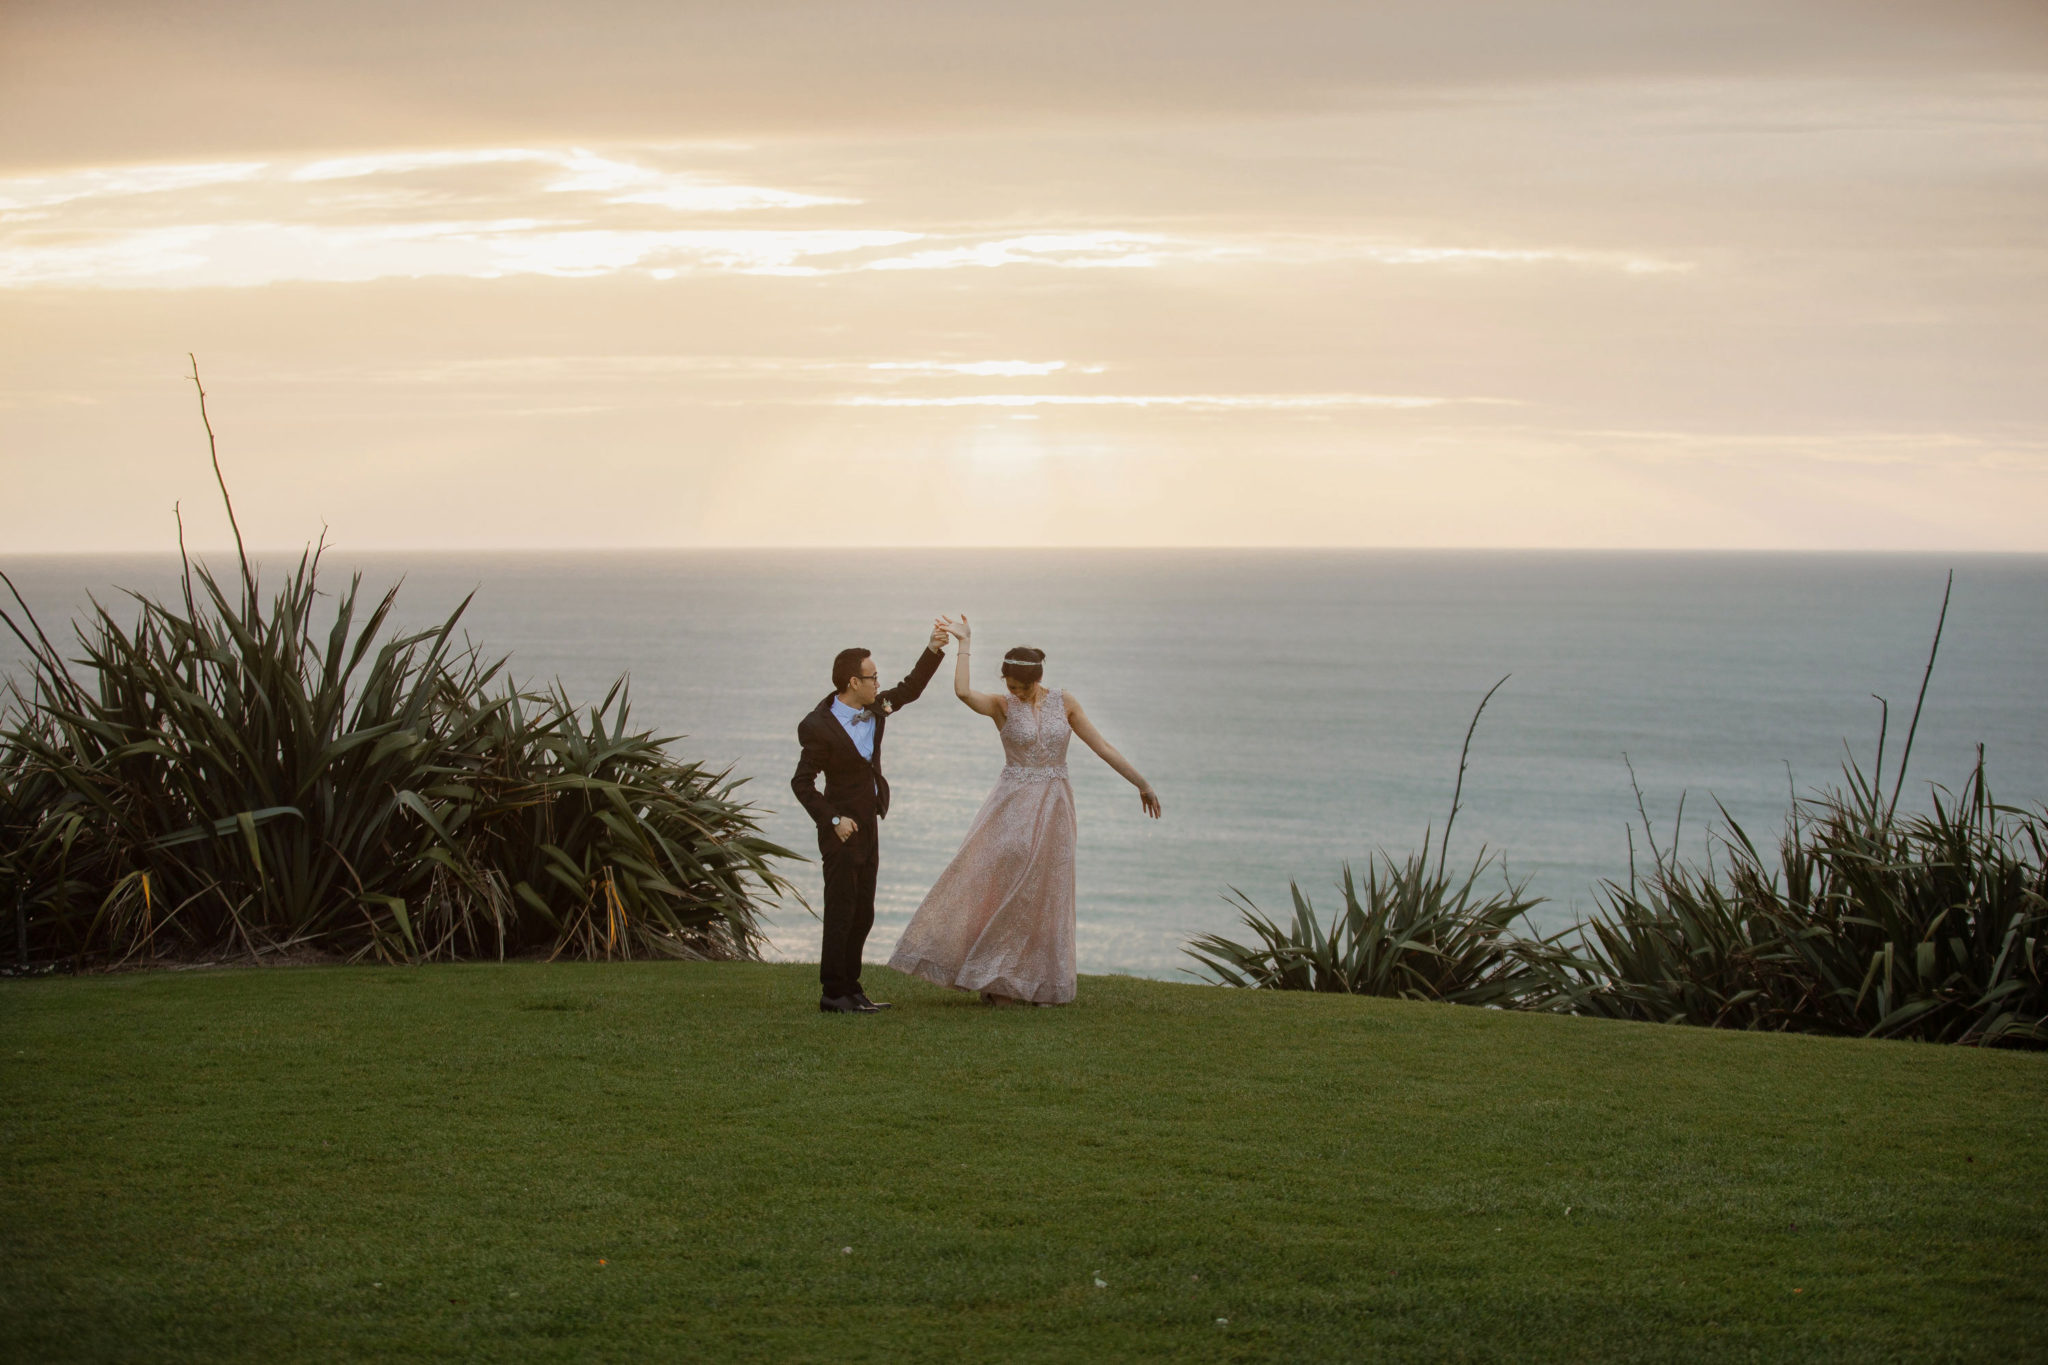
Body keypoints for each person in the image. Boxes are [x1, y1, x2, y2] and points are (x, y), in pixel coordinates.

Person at [888, 614, 1160, 1006]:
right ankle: (992, 976)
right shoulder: (1001, 705)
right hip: (1011, 804)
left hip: (1055, 806)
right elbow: (963, 693)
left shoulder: (1064, 703)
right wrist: (965, 644)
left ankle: (1025, 982)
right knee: (1002, 888)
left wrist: (1142, 784)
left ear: (1036, 681)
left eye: (1019, 687)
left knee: (1044, 895)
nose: (1013, 692)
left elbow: (1102, 746)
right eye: (1008, 685)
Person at [791, 622, 948, 1014]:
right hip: (840, 833)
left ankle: (852, 988)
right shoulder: (817, 726)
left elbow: (910, 689)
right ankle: (833, 993)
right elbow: (802, 783)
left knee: (864, 912)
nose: (878, 682)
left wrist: (933, 648)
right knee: (841, 913)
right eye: (872, 677)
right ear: (852, 682)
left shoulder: (877, 708)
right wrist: (832, 821)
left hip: (869, 824)